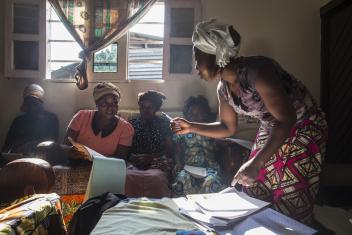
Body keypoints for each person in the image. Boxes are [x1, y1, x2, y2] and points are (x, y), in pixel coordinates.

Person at [171, 19, 327, 223]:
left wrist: (256, 161)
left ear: (213, 55)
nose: (196, 66)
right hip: (273, 126)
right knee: (252, 189)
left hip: (305, 126)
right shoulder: (224, 89)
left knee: (290, 199)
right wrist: (191, 127)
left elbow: (286, 119)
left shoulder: (258, 72)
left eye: (197, 57)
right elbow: (228, 127)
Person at [65, 82, 134, 159]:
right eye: (104, 103)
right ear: (96, 103)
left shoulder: (125, 128)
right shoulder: (81, 117)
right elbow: (65, 145)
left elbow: (119, 161)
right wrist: (71, 152)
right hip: (78, 165)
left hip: (106, 168)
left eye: (114, 103)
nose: (110, 107)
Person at [172, 95, 224, 196]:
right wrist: (178, 163)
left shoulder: (212, 129)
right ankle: (186, 210)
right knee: (181, 180)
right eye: (191, 114)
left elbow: (221, 143)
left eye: (198, 113)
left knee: (212, 181)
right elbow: (177, 150)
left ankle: (207, 209)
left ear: (205, 114)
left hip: (210, 168)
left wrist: (222, 142)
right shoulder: (182, 131)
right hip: (189, 167)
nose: (194, 116)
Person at [2, 84, 59, 155]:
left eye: (34, 102)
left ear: (40, 103)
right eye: (28, 102)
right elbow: (7, 145)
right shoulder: (18, 121)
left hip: (41, 158)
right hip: (19, 157)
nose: (31, 106)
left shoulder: (51, 119)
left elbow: (52, 145)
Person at [129, 90, 174, 175]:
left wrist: (151, 157)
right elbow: (126, 148)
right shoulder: (131, 124)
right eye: (142, 106)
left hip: (157, 161)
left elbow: (170, 150)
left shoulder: (164, 123)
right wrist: (133, 157)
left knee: (165, 167)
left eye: (150, 107)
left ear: (156, 108)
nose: (145, 110)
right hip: (136, 161)